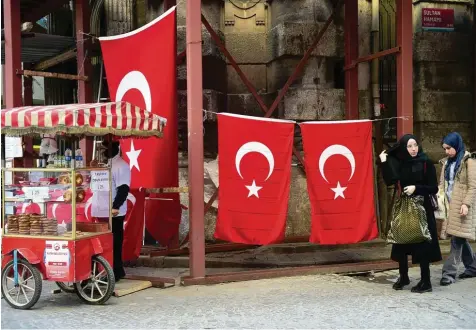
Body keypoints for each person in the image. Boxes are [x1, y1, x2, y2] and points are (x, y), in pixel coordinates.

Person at [379, 134, 442, 293]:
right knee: (400, 242)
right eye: (409, 146)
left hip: (422, 207)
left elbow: (433, 188)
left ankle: (426, 282)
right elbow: (391, 180)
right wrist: (384, 161)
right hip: (404, 207)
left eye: (415, 145)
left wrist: (416, 188)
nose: (413, 149)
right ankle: (404, 276)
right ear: (404, 148)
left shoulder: (426, 162)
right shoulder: (401, 162)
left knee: (422, 244)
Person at [439, 132, 476, 286]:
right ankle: (473, 267)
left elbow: (473, 186)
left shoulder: (469, 161)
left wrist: (466, 204)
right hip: (449, 204)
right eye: (445, 149)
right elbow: (442, 183)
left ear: (457, 145)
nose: (446, 151)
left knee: (456, 239)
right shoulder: (446, 163)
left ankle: (448, 273)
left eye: (449, 148)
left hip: (462, 206)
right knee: (459, 235)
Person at [91, 140, 131, 281]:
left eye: (106, 149)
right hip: (100, 210)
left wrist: (116, 206)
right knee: (102, 243)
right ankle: (103, 270)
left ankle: (116, 271)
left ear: (115, 148)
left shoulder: (121, 166)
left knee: (114, 242)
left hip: (113, 212)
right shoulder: (106, 165)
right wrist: (94, 168)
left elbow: (123, 188)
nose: (103, 152)